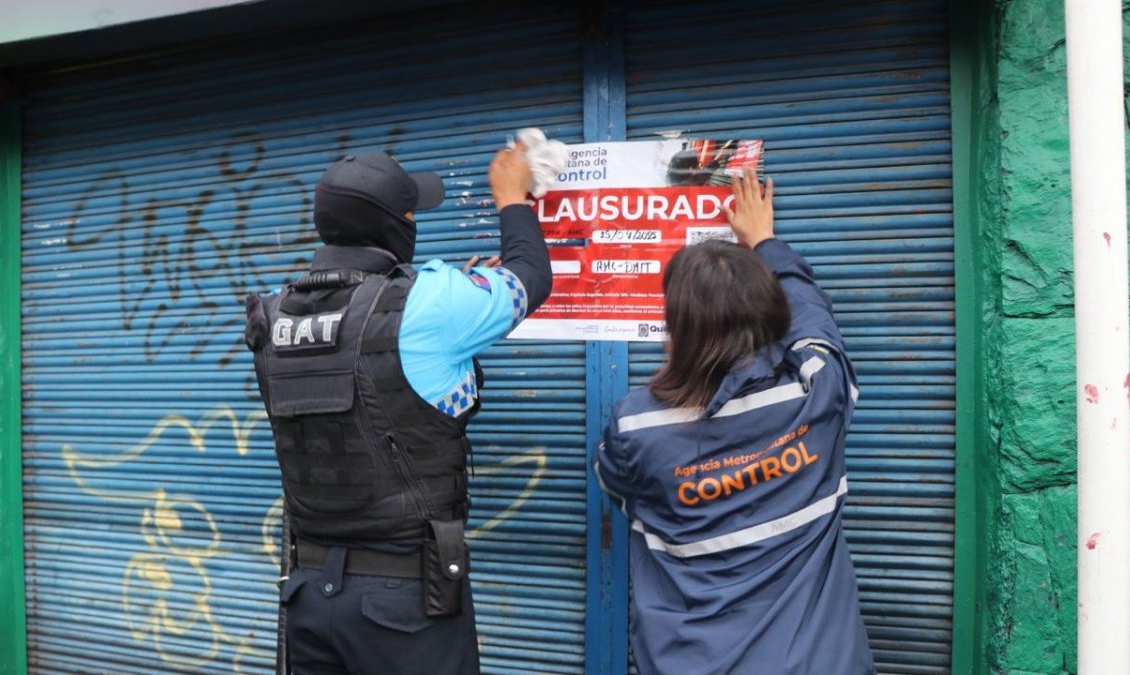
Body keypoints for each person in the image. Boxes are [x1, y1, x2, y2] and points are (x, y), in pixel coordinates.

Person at [245, 144, 551, 675]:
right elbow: (531, 276)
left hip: (308, 597)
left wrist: (452, 302)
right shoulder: (433, 303)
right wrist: (511, 198)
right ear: (391, 223)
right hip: (405, 602)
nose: (414, 219)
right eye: (410, 211)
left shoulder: (272, 312)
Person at [594, 169, 876, 674]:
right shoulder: (817, 392)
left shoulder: (635, 427)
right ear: (771, 317)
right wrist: (766, 243)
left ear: (676, 323)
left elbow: (617, 488)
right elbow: (817, 326)